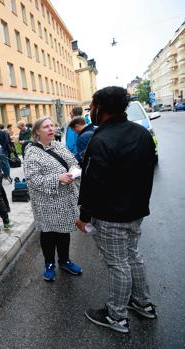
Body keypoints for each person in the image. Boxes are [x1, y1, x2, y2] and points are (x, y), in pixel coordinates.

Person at [76, 86, 157, 333]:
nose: (90, 111)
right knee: (133, 256)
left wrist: (84, 216)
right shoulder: (142, 133)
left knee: (117, 264)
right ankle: (143, 304)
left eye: (91, 106)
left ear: (101, 109)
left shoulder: (101, 139)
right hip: (136, 212)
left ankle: (116, 316)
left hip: (111, 215)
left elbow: (93, 182)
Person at [23, 117, 83, 282]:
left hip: (65, 200)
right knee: (48, 233)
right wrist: (58, 178)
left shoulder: (58, 146)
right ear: (37, 132)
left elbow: (74, 162)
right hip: (46, 203)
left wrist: (74, 171)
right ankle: (49, 264)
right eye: (45, 126)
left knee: (64, 232)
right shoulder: (31, 153)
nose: (51, 128)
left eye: (52, 125)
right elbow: (33, 179)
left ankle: (64, 260)